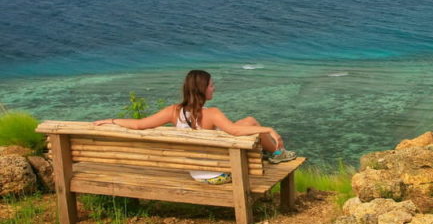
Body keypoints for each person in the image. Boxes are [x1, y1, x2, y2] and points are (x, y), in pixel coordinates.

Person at [94, 69, 296, 184]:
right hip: (221, 173)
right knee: (250, 127)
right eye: (211, 85)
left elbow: (138, 125)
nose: (214, 88)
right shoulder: (212, 113)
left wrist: (110, 121)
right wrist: (268, 129)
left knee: (249, 121)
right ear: (202, 89)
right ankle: (278, 154)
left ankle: (278, 153)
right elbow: (234, 131)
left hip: (196, 172)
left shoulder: (173, 111)